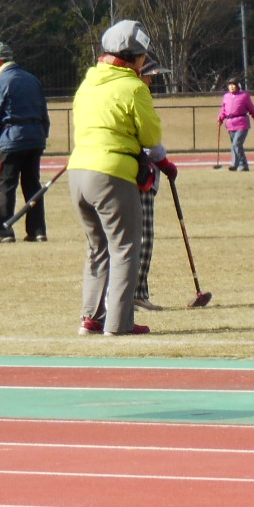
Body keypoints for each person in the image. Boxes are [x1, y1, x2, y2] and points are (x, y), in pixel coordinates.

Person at [67, 19, 170, 335]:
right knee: (125, 247)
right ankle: (119, 323)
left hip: (78, 172)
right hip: (113, 174)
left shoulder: (87, 83)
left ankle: (91, 318)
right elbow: (150, 134)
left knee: (96, 249)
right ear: (135, 58)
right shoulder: (134, 86)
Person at [0, 41, 50, 243]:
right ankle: (37, 231)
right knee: (32, 184)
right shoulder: (32, 80)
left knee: (7, 184)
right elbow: (43, 112)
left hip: (12, 138)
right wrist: (42, 135)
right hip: (35, 137)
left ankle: (3, 230)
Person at [134, 59, 173, 311]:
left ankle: (134, 292)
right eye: (148, 76)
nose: (150, 81)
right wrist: (163, 160)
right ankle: (137, 292)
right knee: (144, 236)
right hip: (139, 174)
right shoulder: (137, 95)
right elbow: (150, 139)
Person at [217, 78, 254, 171]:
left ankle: (243, 165)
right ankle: (235, 164)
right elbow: (224, 110)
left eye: (233, 85)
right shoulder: (226, 96)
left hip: (242, 123)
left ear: (238, 86)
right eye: (230, 85)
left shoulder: (244, 96)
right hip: (230, 123)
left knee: (236, 144)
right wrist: (220, 118)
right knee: (234, 145)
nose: (231, 87)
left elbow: (251, 109)